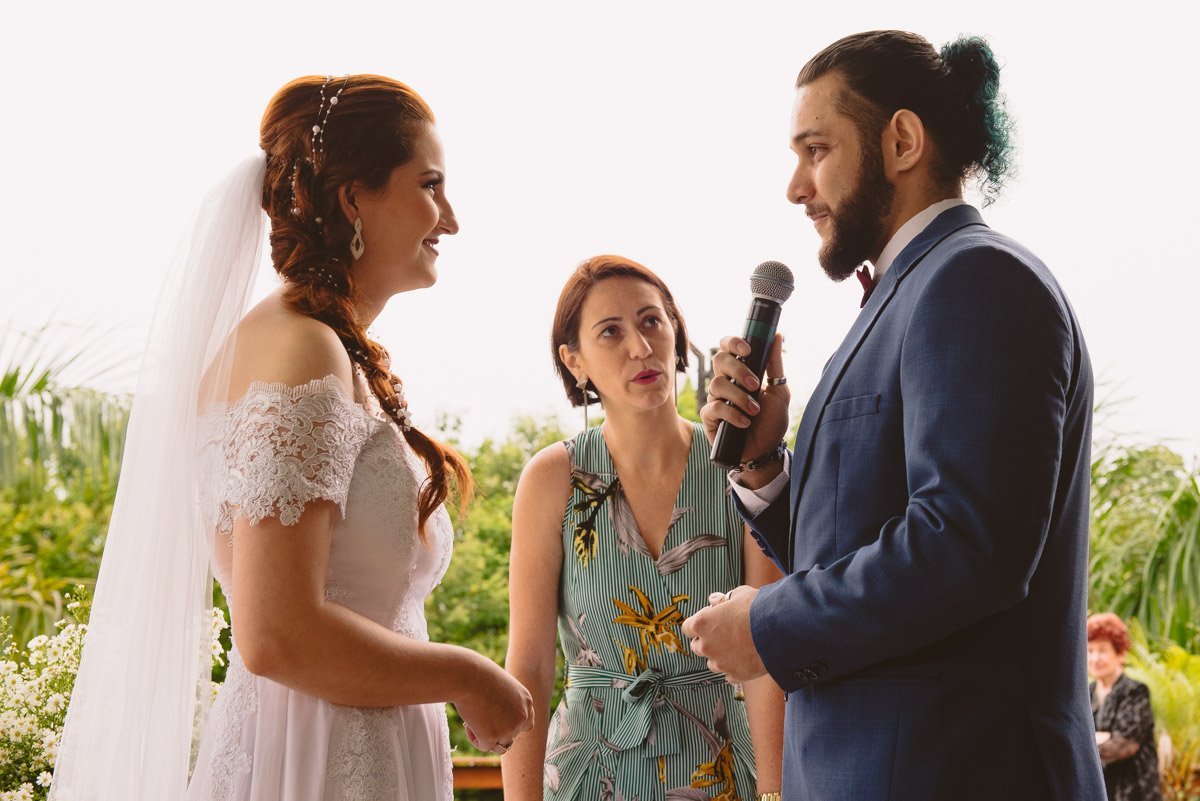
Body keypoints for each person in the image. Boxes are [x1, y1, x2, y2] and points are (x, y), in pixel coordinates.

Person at [50, 75, 532, 801]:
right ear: (354, 198)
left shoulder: (318, 345)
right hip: (313, 760)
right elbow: (276, 632)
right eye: (430, 185)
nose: (451, 219)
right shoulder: (301, 348)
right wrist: (466, 672)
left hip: (355, 746)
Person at [681, 30, 1107, 800]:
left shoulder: (976, 279)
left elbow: (966, 546)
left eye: (815, 150)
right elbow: (857, 537)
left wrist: (766, 627)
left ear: (901, 140)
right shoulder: (908, 294)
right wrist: (763, 463)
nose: (795, 187)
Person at [502, 255, 785, 801]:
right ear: (575, 361)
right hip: (590, 773)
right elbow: (531, 666)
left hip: (722, 769)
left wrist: (775, 794)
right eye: (611, 331)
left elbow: (765, 650)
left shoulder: (738, 466)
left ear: (676, 331)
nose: (640, 346)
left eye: (652, 321)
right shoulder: (552, 478)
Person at [1088, 613, 1163, 801]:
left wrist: (1088, 740)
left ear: (1120, 653)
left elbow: (1123, 746)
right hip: (1101, 789)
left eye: (1102, 650)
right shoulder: (1086, 694)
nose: (1095, 658)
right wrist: (1104, 737)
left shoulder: (1135, 691)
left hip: (1135, 790)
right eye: (1090, 651)